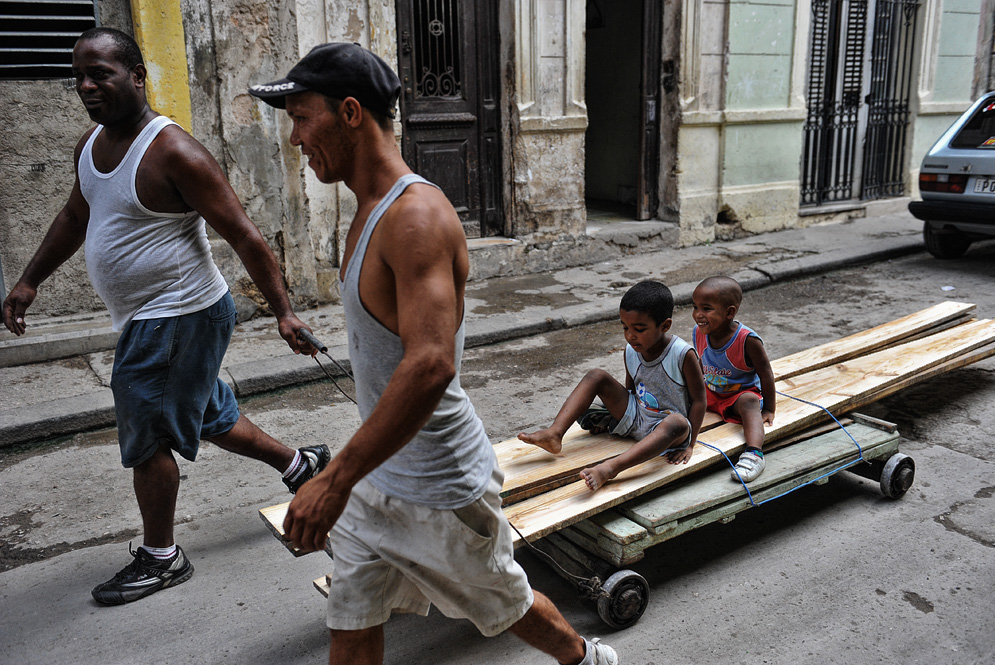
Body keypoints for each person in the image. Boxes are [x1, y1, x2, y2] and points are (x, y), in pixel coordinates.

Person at [249, 43, 618, 665]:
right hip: (380, 472)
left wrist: (333, 480)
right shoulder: (369, 207)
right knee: (352, 617)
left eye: (301, 117)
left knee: (506, 603)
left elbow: (430, 364)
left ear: (349, 113)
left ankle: (588, 660)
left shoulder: (414, 216)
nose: (295, 138)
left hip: (438, 483)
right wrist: (351, 477)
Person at [1, 28, 330, 605]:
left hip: (177, 314)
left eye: (100, 73)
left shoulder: (175, 152)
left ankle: (162, 556)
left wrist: (284, 313)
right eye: (78, 74)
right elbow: (76, 214)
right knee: (203, 412)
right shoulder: (92, 145)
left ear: (136, 76)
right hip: (151, 318)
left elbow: (247, 237)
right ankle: (299, 464)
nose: (86, 85)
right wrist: (29, 280)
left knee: (149, 431)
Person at [519, 280, 706, 491]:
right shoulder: (631, 350)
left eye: (639, 329)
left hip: (667, 430)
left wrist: (690, 444)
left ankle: (610, 469)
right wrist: (616, 411)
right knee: (596, 375)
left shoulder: (682, 354)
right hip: (637, 415)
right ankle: (555, 433)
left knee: (678, 423)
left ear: (664, 326)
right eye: (625, 327)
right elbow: (631, 390)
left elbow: (700, 400)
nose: (630, 335)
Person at [691, 276, 776, 482]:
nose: (698, 315)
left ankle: (754, 454)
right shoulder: (700, 332)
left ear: (730, 312)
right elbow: (701, 364)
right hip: (710, 392)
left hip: (737, 396)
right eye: (695, 307)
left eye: (707, 309)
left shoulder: (747, 340)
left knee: (749, 402)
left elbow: (766, 373)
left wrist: (769, 409)